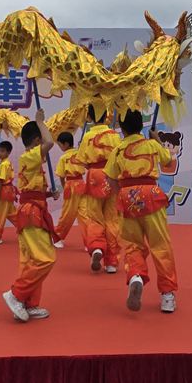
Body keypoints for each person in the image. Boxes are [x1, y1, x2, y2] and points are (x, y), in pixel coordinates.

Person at [105, 110, 178, 313]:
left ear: (122, 128)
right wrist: (156, 139)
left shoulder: (118, 150)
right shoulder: (151, 145)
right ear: (140, 126)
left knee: (132, 245)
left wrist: (122, 195)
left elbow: (110, 178)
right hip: (151, 195)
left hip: (127, 197)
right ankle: (167, 295)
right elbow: (167, 160)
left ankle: (136, 276)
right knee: (160, 245)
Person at [2, 110, 60, 322]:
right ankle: (16, 294)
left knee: (31, 260)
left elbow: (31, 190)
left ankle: (29, 303)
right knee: (46, 258)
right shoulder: (30, 156)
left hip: (34, 210)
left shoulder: (32, 161)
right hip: (32, 213)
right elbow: (50, 142)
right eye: (41, 139)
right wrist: (40, 122)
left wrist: (48, 194)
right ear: (37, 141)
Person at [76, 105, 121, 273]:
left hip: (94, 175)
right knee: (112, 218)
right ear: (106, 115)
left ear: (89, 116)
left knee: (94, 217)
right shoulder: (114, 135)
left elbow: (82, 161)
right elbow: (119, 158)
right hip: (111, 176)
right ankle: (111, 262)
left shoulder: (88, 136)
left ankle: (96, 247)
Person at [54, 131, 85, 246]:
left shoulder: (63, 158)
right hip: (82, 184)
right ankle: (90, 242)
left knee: (67, 214)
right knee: (85, 215)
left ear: (66, 144)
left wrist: (64, 187)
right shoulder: (80, 153)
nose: (60, 147)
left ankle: (58, 238)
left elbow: (61, 176)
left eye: (60, 145)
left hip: (70, 185)